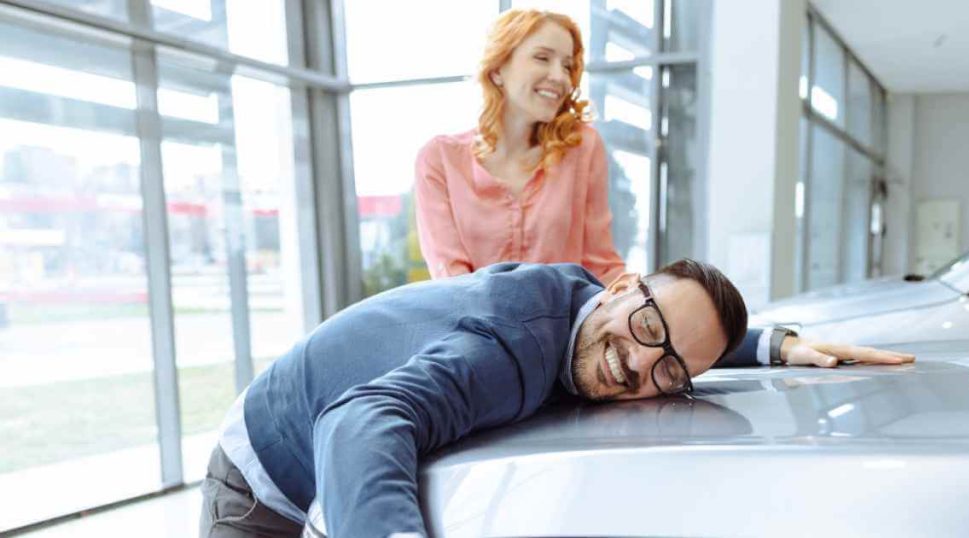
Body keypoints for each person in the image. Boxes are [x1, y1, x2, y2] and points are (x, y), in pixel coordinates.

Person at [199, 259, 914, 537]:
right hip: (261, 473)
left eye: (669, 371)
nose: (638, 364)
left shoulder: (600, 314)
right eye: (645, 327)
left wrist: (779, 345)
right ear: (618, 284)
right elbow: (360, 420)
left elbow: (674, 340)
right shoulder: (507, 351)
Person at [415, 9, 626, 285]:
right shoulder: (440, 159)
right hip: (472, 326)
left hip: (562, 326)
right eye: (542, 58)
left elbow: (602, 265)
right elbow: (450, 282)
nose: (561, 77)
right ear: (498, 68)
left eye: (566, 65)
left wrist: (649, 302)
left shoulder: (582, 149)